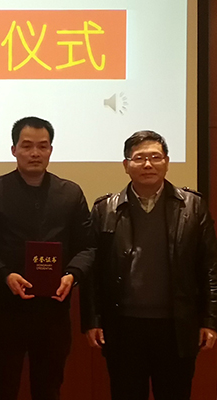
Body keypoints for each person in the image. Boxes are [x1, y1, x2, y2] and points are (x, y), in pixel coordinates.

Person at [80, 130, 217, 400]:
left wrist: (210, 320)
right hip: (123, 327)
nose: (147, 165)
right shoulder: (105, 209)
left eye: (155, 157)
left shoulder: (193, 206)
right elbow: (93, 271)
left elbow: (210, 267)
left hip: (176, 326)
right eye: (139, 158)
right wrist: (92, 320)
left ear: (167, 162)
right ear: (126, 165)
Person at [0, 116, 91, 400]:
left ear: (51, 150)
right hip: (6, 311)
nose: (35, 153)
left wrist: (72, 275)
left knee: (49, 389)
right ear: (14, 150)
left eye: (42, 146)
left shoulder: (70, 193)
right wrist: (4, 274)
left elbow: (87, 247)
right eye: (27, 146)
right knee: (2, 388)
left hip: (54, 313)